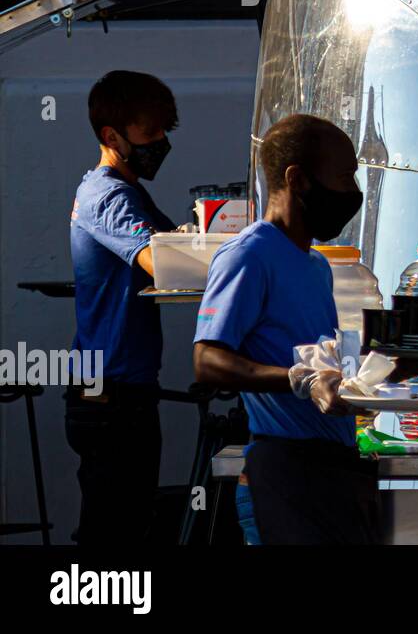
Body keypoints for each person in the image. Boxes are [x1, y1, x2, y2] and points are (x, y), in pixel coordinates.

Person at [192, 113, 376, 544]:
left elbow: (319, 362)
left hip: (333, 468)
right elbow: (206, 359)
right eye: (345, 176)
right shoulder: (249, 254)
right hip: (283, 470)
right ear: (298, 179)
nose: (353, 191)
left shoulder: (317, 266)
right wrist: (298, 380)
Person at [66, 70, 179, 544]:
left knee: (127, 523)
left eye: (163, 132)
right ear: (112, 136)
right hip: (109, 396)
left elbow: (178, 244)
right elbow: (163, 261)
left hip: (121, 389)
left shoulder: (128, 190)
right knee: (112, 533)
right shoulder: (109, 196)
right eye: (149, 133)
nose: (160, 143)